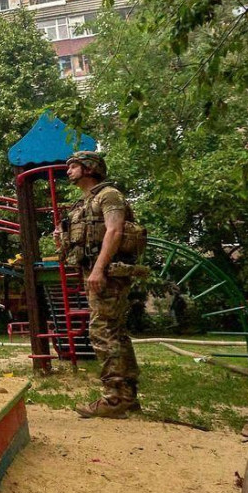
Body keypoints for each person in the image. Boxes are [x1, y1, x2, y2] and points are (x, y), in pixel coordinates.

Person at [59, 151, 142, 418]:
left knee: (103, 330)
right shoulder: (84, 202)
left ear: (89, 168)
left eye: (74, 166)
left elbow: (115, 230)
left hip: (107, 273)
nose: (68, 170)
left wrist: (98, 269)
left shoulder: (109, 195)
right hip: (95, 271)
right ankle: (126, 396)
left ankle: (115, 399)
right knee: (114, 331)